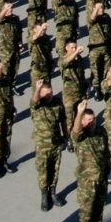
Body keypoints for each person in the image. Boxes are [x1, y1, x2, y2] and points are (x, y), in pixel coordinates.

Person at [72, 98, 110, 222]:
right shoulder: (81, 136)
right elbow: (75, 132)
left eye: (93, 119)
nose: (91, 122)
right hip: (87, 180)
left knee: (99, 206)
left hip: (101, 177)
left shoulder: (101, 131)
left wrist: (110, 169)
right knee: (87, 209)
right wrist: (80, 112)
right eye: (87, 120)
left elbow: (106, 151)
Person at [30, 79, 65, 211]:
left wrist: (66, 137)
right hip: (42, 146)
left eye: (50, 93)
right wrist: (38, 89)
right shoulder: (37, 106)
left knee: (55, 170)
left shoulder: (56, 103)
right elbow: (34, 101)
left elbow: (63, 120)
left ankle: (53, 192)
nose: (49, 96)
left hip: (56, 143)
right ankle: (45, 196)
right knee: (44, 171)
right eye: (46, 94)